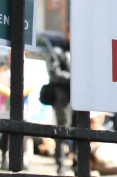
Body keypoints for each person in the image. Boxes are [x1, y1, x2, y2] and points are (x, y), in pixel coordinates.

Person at [0, 53, 36, 170]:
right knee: (5, 132)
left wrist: (18, 93)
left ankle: (20, 159)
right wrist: (9, 92)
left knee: (20, 132)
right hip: (5, 104)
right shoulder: (3, 68)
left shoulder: (28, 69)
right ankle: (4, 158)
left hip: (22, 104)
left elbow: (31, 85)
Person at [46, 37, 72, 176]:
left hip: (78, 96)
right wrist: (74, 78)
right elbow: (54, 73)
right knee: (63, 130)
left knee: (81, 130)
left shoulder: (81, 50)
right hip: (63, 97)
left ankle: (78, 165)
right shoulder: (57, 51)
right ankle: (61, 164)